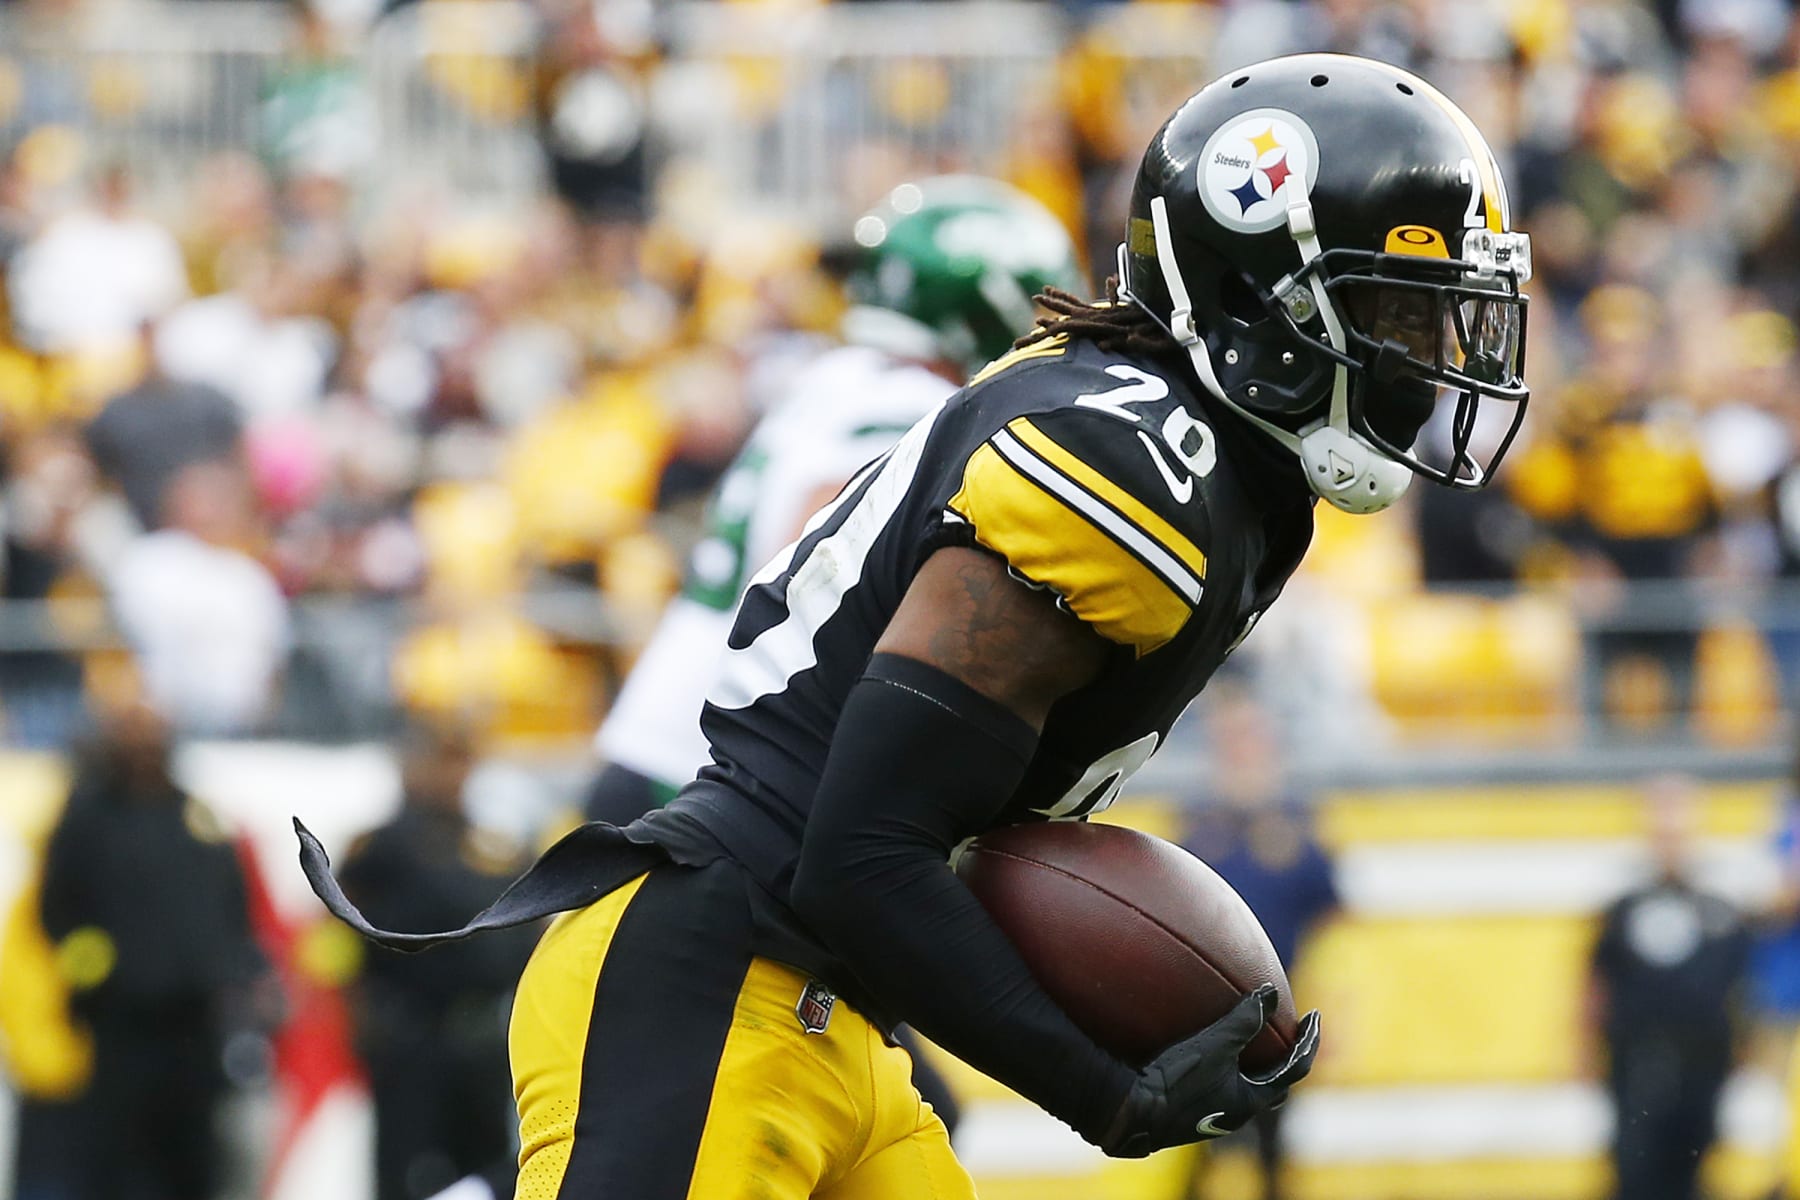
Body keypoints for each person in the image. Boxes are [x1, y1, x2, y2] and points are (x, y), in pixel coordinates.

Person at [301, 53, 1530, 1195]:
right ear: (1268, 299)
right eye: (1404, 314)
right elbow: (863, 853)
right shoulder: (1130, 466)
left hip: (824, 1010)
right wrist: (1106, 1093)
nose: (1431, 361)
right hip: (715, 985)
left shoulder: (1199, 465)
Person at [16, 701, 267, 1200]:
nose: (146, 745)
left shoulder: (198, 816)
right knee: (120, 1165)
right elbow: (56, 910)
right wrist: (96, 971)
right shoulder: (87, 818)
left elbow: (234, 907)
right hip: (120, 1026)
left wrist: (232, 971)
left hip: (195, 1025)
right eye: (133, 732)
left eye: (154, 733)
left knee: (196, 1162)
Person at [338, 725, 536, 1200]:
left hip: (479, 1039)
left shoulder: (497, 849)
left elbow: (529, 936)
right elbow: (340, 942)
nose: (450, 774)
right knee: (400, 1174)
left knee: (485, 1173)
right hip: (409, 1036)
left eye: (458, 761)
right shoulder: (376, 849)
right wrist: (353, 1018)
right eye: (438, 760)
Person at [1180, 686, 1337, 1200]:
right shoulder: (1200, 826)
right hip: (1210, 1013)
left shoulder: (1295, 824)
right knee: (1195, 1139)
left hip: (1279, 1011)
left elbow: (1329, 917)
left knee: (1273, 1141)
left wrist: (1328, 1004)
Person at [1589, 774, 1749, 1200]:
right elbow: (1596, 979)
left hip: (1703, 1057)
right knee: (1636, 1162)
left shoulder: (1719, 905)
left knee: (1691, 1161)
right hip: (1638, 1056)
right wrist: (1583, 1048)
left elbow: (1741, 985)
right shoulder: (1624, 904)